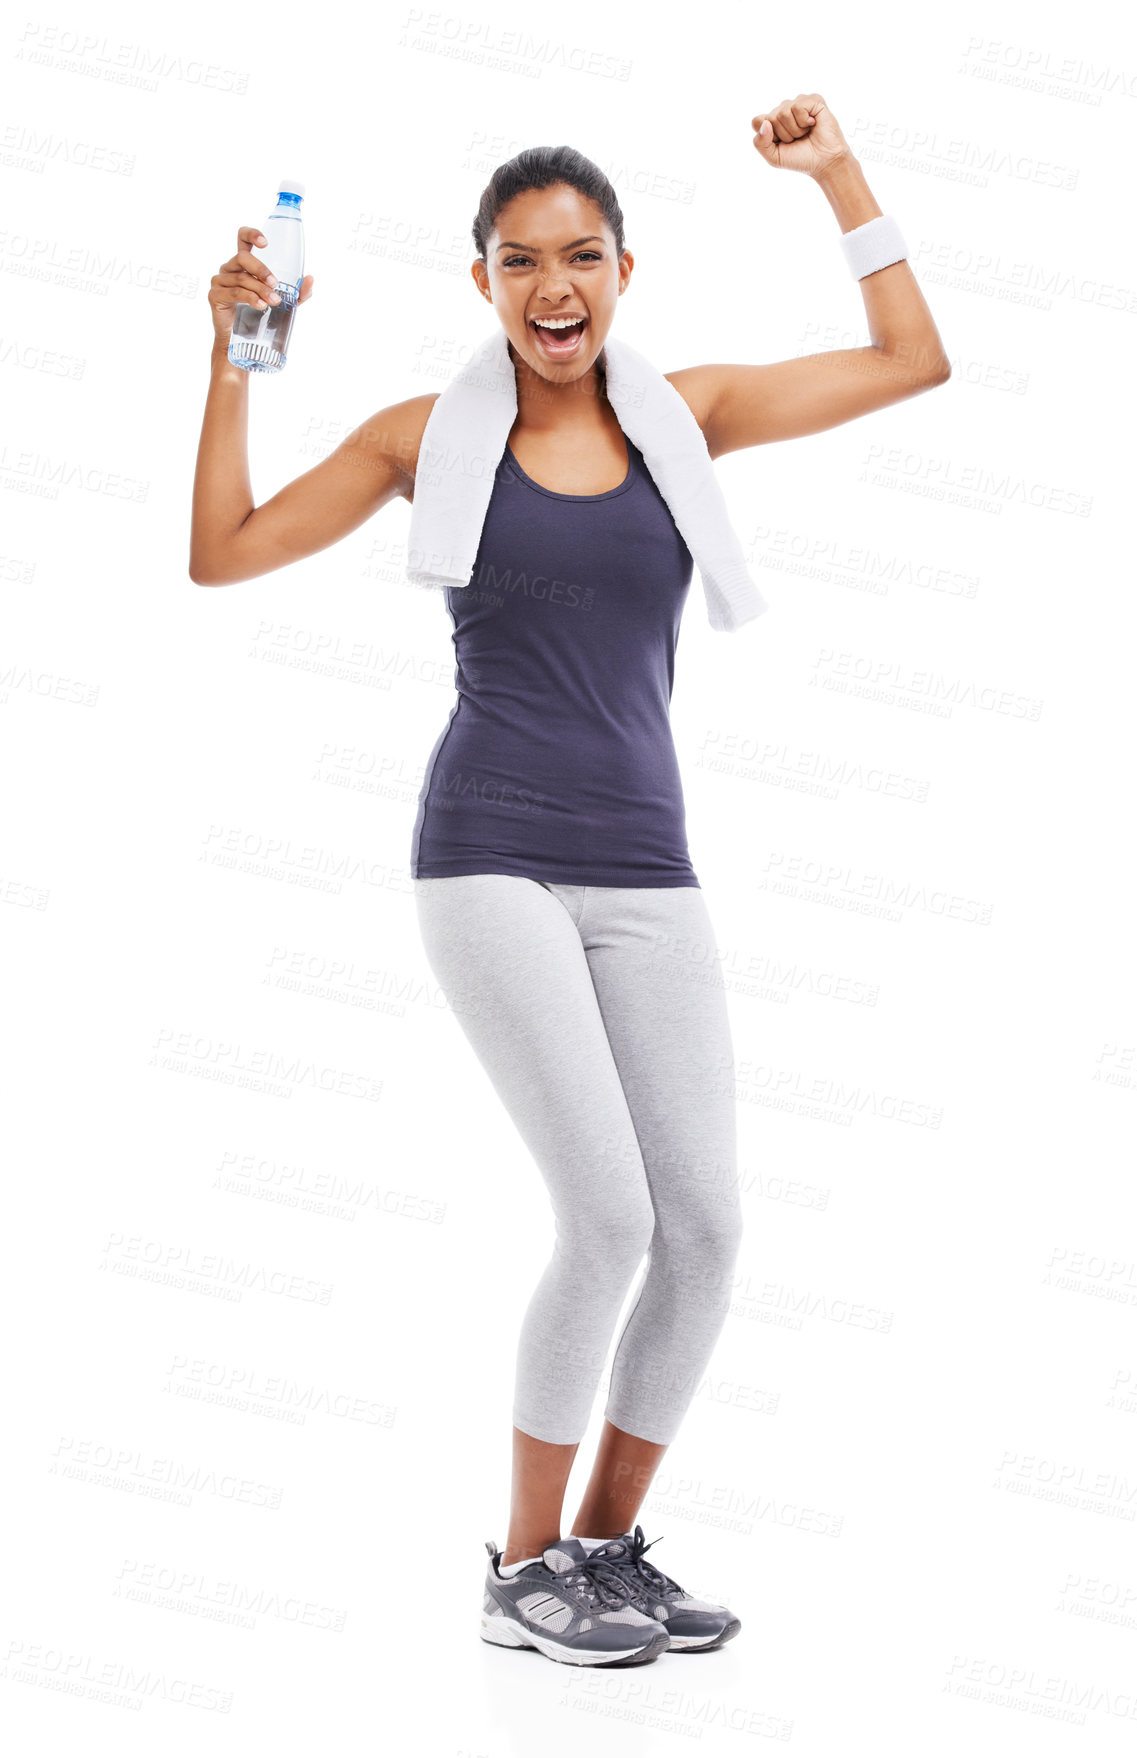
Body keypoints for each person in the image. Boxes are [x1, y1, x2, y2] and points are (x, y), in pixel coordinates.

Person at [190, 95, 950, 1668]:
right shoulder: (421, 436)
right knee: (604, 1215)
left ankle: (602, 1547)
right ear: (482, 282)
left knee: (709, 1229)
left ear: (621, 271)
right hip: (485, 853)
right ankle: (520, 1567)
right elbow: (226, 551)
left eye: (581, 256)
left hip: (646, 864)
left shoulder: (691, 413)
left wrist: (838, 177)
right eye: (521, 259)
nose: (554, 285)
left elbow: (907, 362)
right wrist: (233, 358)